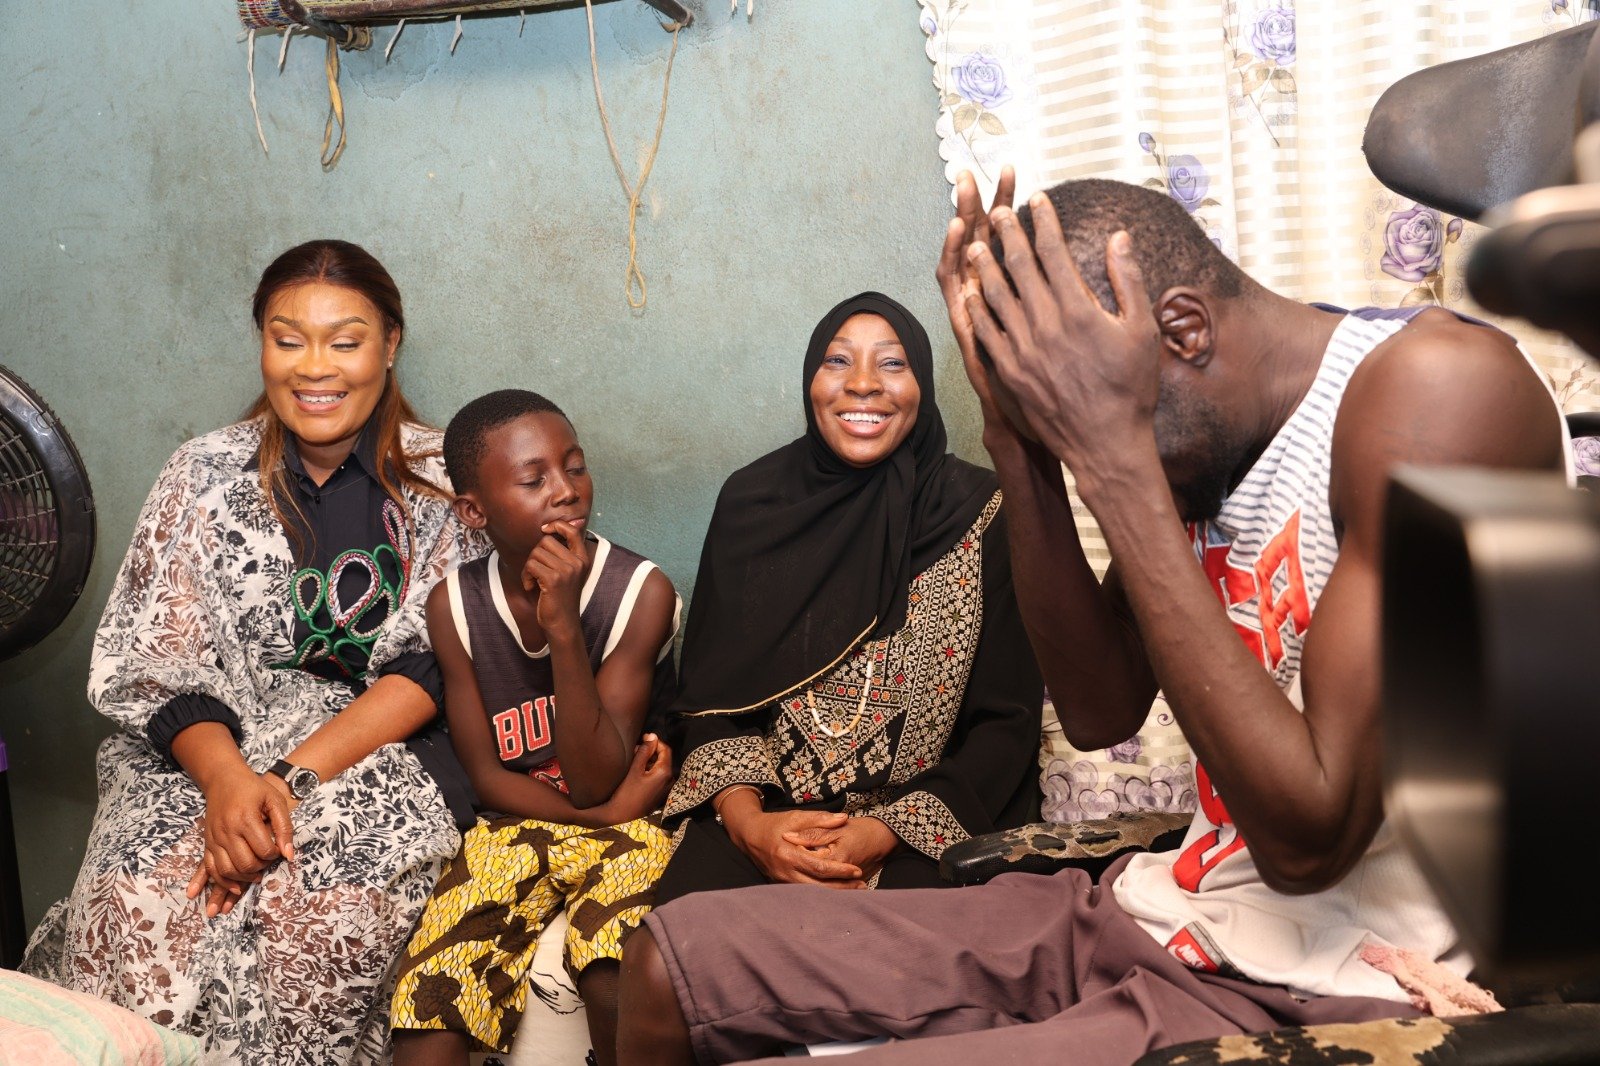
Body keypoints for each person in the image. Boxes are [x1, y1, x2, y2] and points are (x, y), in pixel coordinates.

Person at [614, 175, 1570, 1066]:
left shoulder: (1439, 391)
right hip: (1157, 914)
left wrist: (1112, 455)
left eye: (1086, 432)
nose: (1094, 465)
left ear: (1182, 331)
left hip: (1320, 983)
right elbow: (1100, 708)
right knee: (668, 964)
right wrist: (1013, 437)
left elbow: (1308, 839)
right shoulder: (1215, 435)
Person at [22, 240, 486, 1065]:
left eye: (345, 341)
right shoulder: (200, 474)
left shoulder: (444, 479)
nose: (316, 367)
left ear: (390, 343)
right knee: (140, 901)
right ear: (260, 342)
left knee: (311, 913)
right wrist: (229, 780)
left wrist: (284, 782)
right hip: (200, 754)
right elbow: (156, 662)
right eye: (288, 337)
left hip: (380, 753)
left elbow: (434, 667)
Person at [647, 292, 1041, 904]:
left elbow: (1006, 721)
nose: (862, 385)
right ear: (811, 381)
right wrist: (751, 828)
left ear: (924, 384)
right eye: (837, 362)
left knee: (901, 973)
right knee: (671, 958)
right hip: (765, 818)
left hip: (918, 834)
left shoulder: (983, 512)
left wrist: (884, 831)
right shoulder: (754, 506)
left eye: (892, 363)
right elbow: (706, 701)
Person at [389, 389, 680, 1066]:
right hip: (523, 823)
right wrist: (605, 811)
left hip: (629, 830)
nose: (565, 492)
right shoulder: (455, 606)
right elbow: (489, 779)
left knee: (617, 967)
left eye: (574, 467)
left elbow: (594, 775)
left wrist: (563, 628)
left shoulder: (640, 592)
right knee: (428, 1003)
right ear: (473, 511)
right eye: (534, 479)